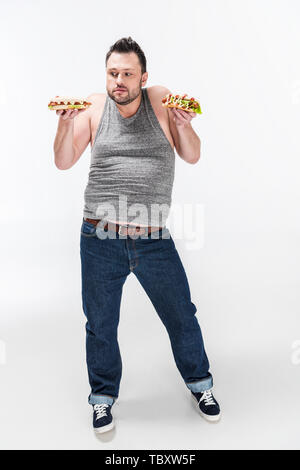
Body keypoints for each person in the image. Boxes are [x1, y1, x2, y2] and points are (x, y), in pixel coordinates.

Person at [53, 36, 221, 433]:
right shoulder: (93, 107)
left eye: (128, 74)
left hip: (153, 238)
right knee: (100, 323)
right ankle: (102, 397)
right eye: (113, 73)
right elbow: (62, 161)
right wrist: (63, 126)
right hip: (99, 237)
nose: (119, 81)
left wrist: (185, 126)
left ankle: (201, 384)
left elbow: (192, 154)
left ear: (143, 77)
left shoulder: (161, 101)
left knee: (182, 315)